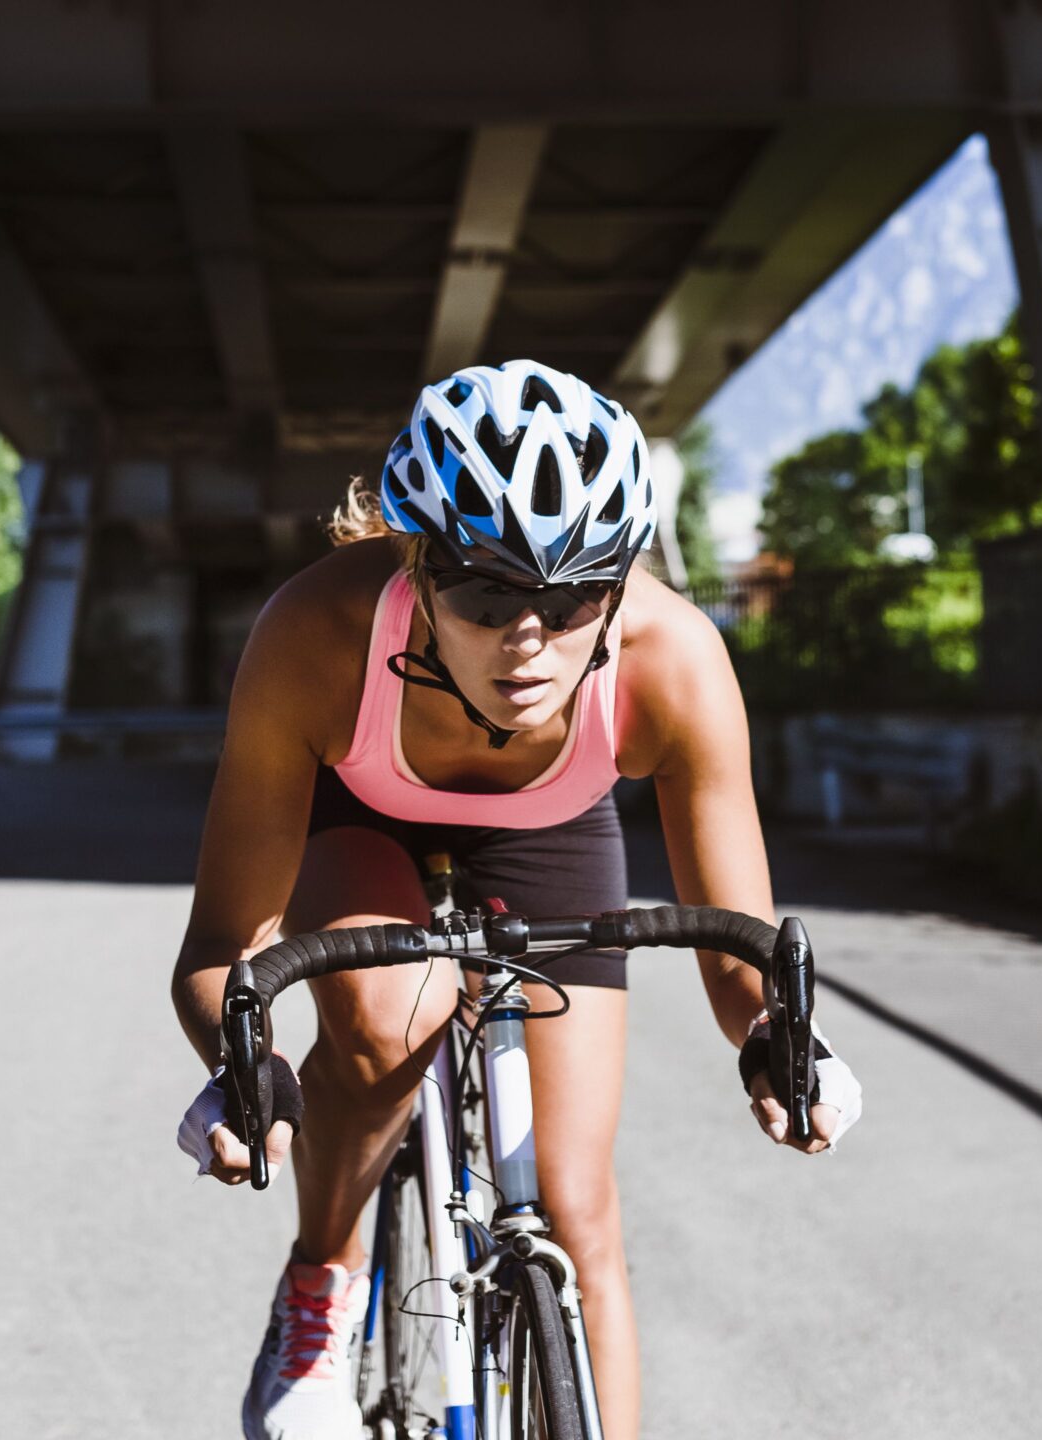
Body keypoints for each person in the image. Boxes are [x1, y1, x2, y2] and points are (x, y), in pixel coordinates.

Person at [170, 359, 862, 1439]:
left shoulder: (671, 660)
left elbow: (738, 943)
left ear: (621, 582)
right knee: (392, 1016)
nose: (528, 639)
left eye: (576, 594)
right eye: (488, 596)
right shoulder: (314, 636)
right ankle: (322, 1281)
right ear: (419, 565)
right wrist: (244, 1065)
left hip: (549, 834)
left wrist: (776, 1039)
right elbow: (222, 943)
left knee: (577, 1210)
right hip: (363, 812)